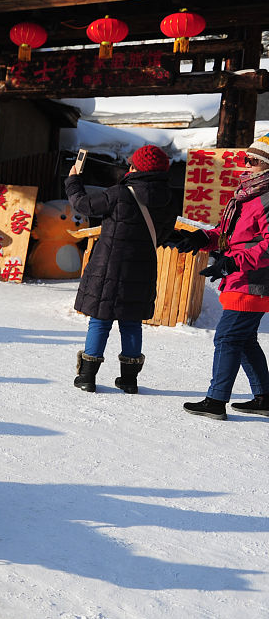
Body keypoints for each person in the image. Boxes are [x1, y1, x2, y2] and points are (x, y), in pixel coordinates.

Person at [167, 135, 269, 420]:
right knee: (244, 339)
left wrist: (232, 263)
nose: (245, 165)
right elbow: (231, 237)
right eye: (246, 159)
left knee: (227, 338)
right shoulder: (247, 196)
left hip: (253, 278)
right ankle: (264, 398)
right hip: (242, 276)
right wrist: (200, 238)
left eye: (253, 161)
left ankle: (216, 401)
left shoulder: (266, 197)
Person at [66, 144, 177, 394]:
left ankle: (86, 377)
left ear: (135, 167)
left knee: (100, 320)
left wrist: (73, 180)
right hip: (142, 268)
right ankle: (129, 381)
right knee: (131, 322)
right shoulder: (168, 199)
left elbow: (83, 205)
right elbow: (163, 234)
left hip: (108, 267)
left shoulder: (119, 193)